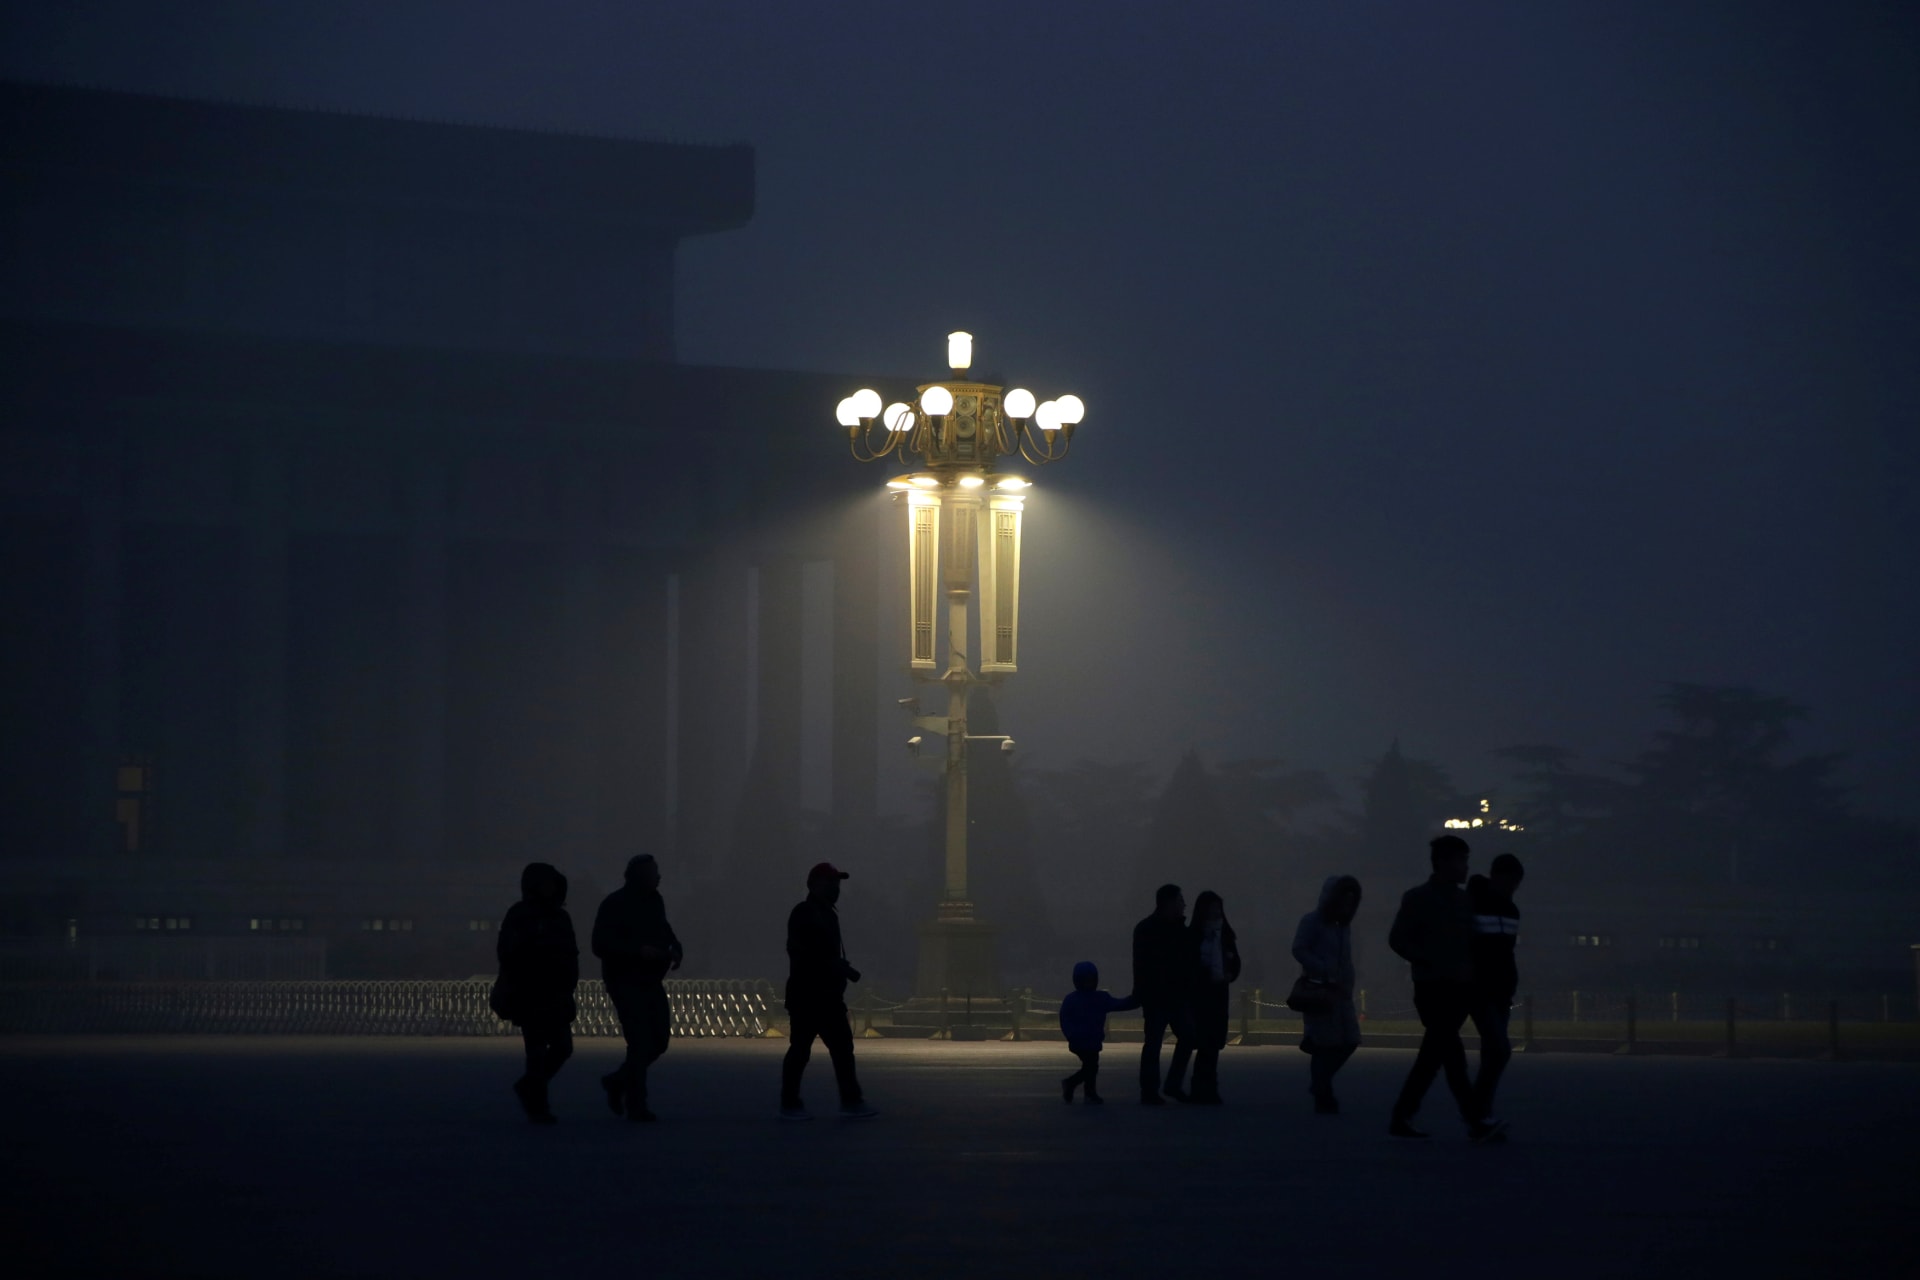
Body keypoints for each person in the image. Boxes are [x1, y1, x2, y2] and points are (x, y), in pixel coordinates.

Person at [1387, 835, 1503, 1142]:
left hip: (1458, 989)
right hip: (1432, 988)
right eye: (1461, 860)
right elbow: (1397, 939)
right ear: (1443, 862)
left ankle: (1404, 1115)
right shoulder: (1418, 899)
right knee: (1449, 1057)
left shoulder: (1464, 900)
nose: (1465, 867)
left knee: (1437, 1056)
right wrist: (1427, 959)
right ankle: (1475, 1120)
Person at [779, 862, 878, 1121]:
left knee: (841, 1049)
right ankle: (791, 1103)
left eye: (837, 883)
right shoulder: (804, 913)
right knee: (801, 1050)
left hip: (828, 995)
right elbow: (800, 952)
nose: (836, 888)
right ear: (814, 885)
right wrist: (832, 966)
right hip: (808, 995)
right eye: (830, 883)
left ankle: (849, 1100)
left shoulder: (827, 914)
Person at [591, 853, 683, 1123]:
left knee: (659, 1042)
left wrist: (675, 948)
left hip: (651, 980)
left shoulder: (655, 902)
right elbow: (600, 944)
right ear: (638, 876)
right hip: (624, 981)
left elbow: (665, 931)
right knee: (640, 1042)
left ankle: (618, 1080)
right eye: (653, 872)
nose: (658, 876)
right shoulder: (614, 904)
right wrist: (637, 951)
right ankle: (636, 1104)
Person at [493, 862, 579, 1124]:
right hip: (529, 993)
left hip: (556, 992)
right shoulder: (520, 914)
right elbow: (507, 952)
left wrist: (568, 981)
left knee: (563, 1047)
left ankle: (530, 1087)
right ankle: (538, 1105)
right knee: (537, 1051)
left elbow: (570, 952)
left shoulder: (560, 917)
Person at [1291, 875, 1363, 1114]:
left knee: (1350, 1040)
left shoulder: (1343, 927)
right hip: (1319, 990)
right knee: (1325, 1045)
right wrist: (1322, 968)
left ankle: (1320, 1084)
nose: (1348, 905)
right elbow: (1299, 948)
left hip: (1342, 992)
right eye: (1344, 899)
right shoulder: (1311, 921)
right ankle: (1323, 1093)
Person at [1166, 890, 1240, 1104]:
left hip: (1218, 994)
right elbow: (1186, 965)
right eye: (1212, 907)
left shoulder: (1225, 934)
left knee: (1214, 1042)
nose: (1216, 911)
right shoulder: (1194, 935)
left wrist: (1229, 972)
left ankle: (1207, 1086)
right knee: (1203, 1039)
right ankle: (1201, 1086)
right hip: (1199, 995)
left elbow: (1236, 962)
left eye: (1218, 907)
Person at [1468, 853, 1525, 1127]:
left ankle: (1482, 1110)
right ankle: (1478, 1109)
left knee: (1493, 1051)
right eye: (1512, 882)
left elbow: (1507, 951)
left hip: (1501, 990)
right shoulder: (1476, 904)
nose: (1513, 888)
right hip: (1480, 989)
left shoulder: (1512, 910)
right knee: (1499, 1050)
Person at [1132, 883, 1196, 1105]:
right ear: (1169, 902)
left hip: (1174, 995)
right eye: (1180, 900)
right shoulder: (1151, 929)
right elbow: (1142, 965)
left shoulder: (1152, 928)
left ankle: (1165, 1086)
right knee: (1155, 1043)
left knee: (1179, 1038)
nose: (1184, 904)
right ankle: (1155, 1088)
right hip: (1158, 996)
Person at [1058, 961, 1141, 1104]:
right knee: (1091, 1066)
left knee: (1090, 1066)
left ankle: (1088, 1092)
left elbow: (1064, 1019)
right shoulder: (1100, 998)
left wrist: (1070, 1034)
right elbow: (1121, 1004)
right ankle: (1073, 1084)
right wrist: (1136, 999)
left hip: (1085, 1040)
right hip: (1084, 1040)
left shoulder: (1071, 999)